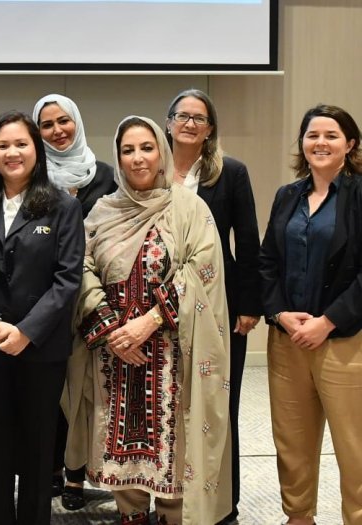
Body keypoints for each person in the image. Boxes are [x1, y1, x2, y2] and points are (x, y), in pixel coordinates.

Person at [73, 116, 231, 524]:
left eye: (147, 148)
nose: (138, 158)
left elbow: (203, 268)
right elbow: (81, 267)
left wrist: (150, 322)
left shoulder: (189, 208)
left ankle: (172, 515)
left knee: (174, 443)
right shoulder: (103, 210)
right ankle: (130, 514)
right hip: (115, 354)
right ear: (118, 158)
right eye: (128, 150)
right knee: (117, 442)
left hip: (173, 352)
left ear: (161, 151)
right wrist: (111, 330)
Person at [0, 111, 84, 524]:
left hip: (42, 347)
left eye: (21, 144)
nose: (12, 152)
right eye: (3, 145)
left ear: (37, 151)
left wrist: (27, 331)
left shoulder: (63, 206)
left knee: (39, 448)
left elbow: (67, 280)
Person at [260, 104, 362, 525]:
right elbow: (267, 262)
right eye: (312, 135)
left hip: (344, 341)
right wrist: (280, 313)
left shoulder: (358, 195)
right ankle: (298, 517)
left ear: (350, 144)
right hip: (288, 340)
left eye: (331, 135)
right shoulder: (289, 195)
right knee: (293, 442)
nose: (320, 143)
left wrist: (329, 320)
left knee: (354, 445)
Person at [164, 88, 262, 523]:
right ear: (168, 123)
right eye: (181, 116)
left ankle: (226, 503)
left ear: (210, 129)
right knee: (171, 406)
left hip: (219, 305)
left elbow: (249, 240)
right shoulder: (150, 167)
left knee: (220, 404)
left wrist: (249, 303)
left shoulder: (230, 172)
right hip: (161, 308)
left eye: (198, 118)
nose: (189, 123)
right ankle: (172, 499)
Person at [31, 93, 118, 511]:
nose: (57, 131)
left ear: (77, 122)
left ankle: (77, 475)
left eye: (64, 121)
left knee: (84, 389)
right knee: (48, 388)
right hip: (43, 299)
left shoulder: (103, 175)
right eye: (46, 125)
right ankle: (48, 467)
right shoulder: (32, 175)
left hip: (91, 298)